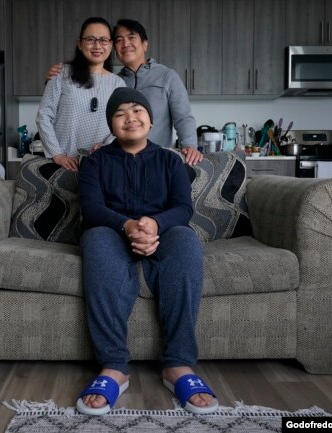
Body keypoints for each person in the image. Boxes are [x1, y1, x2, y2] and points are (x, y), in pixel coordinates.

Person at [76, 87, 218, 415]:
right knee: (96, 239)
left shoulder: (170, 160)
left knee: (185, 240)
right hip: (110, 232)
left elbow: (182, 208)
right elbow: (92, 208)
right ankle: (114, 366)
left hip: (163, 231)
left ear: (151, 122)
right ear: (111, 124)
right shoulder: (94, 162)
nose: (130, 118)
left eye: (137, 111)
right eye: (120, 113)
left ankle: (178, 364)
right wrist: (127, 227)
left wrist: (154, 225)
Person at [46, 19, 203, 166]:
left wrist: (189, 145)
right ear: (114, 48)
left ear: (145, 44)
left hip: (155, 160)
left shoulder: (167, 76)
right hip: (120, 163)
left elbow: (183, 117)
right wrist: (53, 79)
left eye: (131, 37)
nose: (125, 44)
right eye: (119, 40)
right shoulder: (115, 81)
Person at [36, 17, 126, 172]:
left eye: (103, 40)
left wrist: (108, 145)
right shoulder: (61, 73)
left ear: (110, 45)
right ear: (79, 44)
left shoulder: (118, 83)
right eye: (90, 39)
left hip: (101, 165)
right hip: (62, 165)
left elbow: (121, 123)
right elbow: (44, 115)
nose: (97, 45)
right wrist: (57, 154)